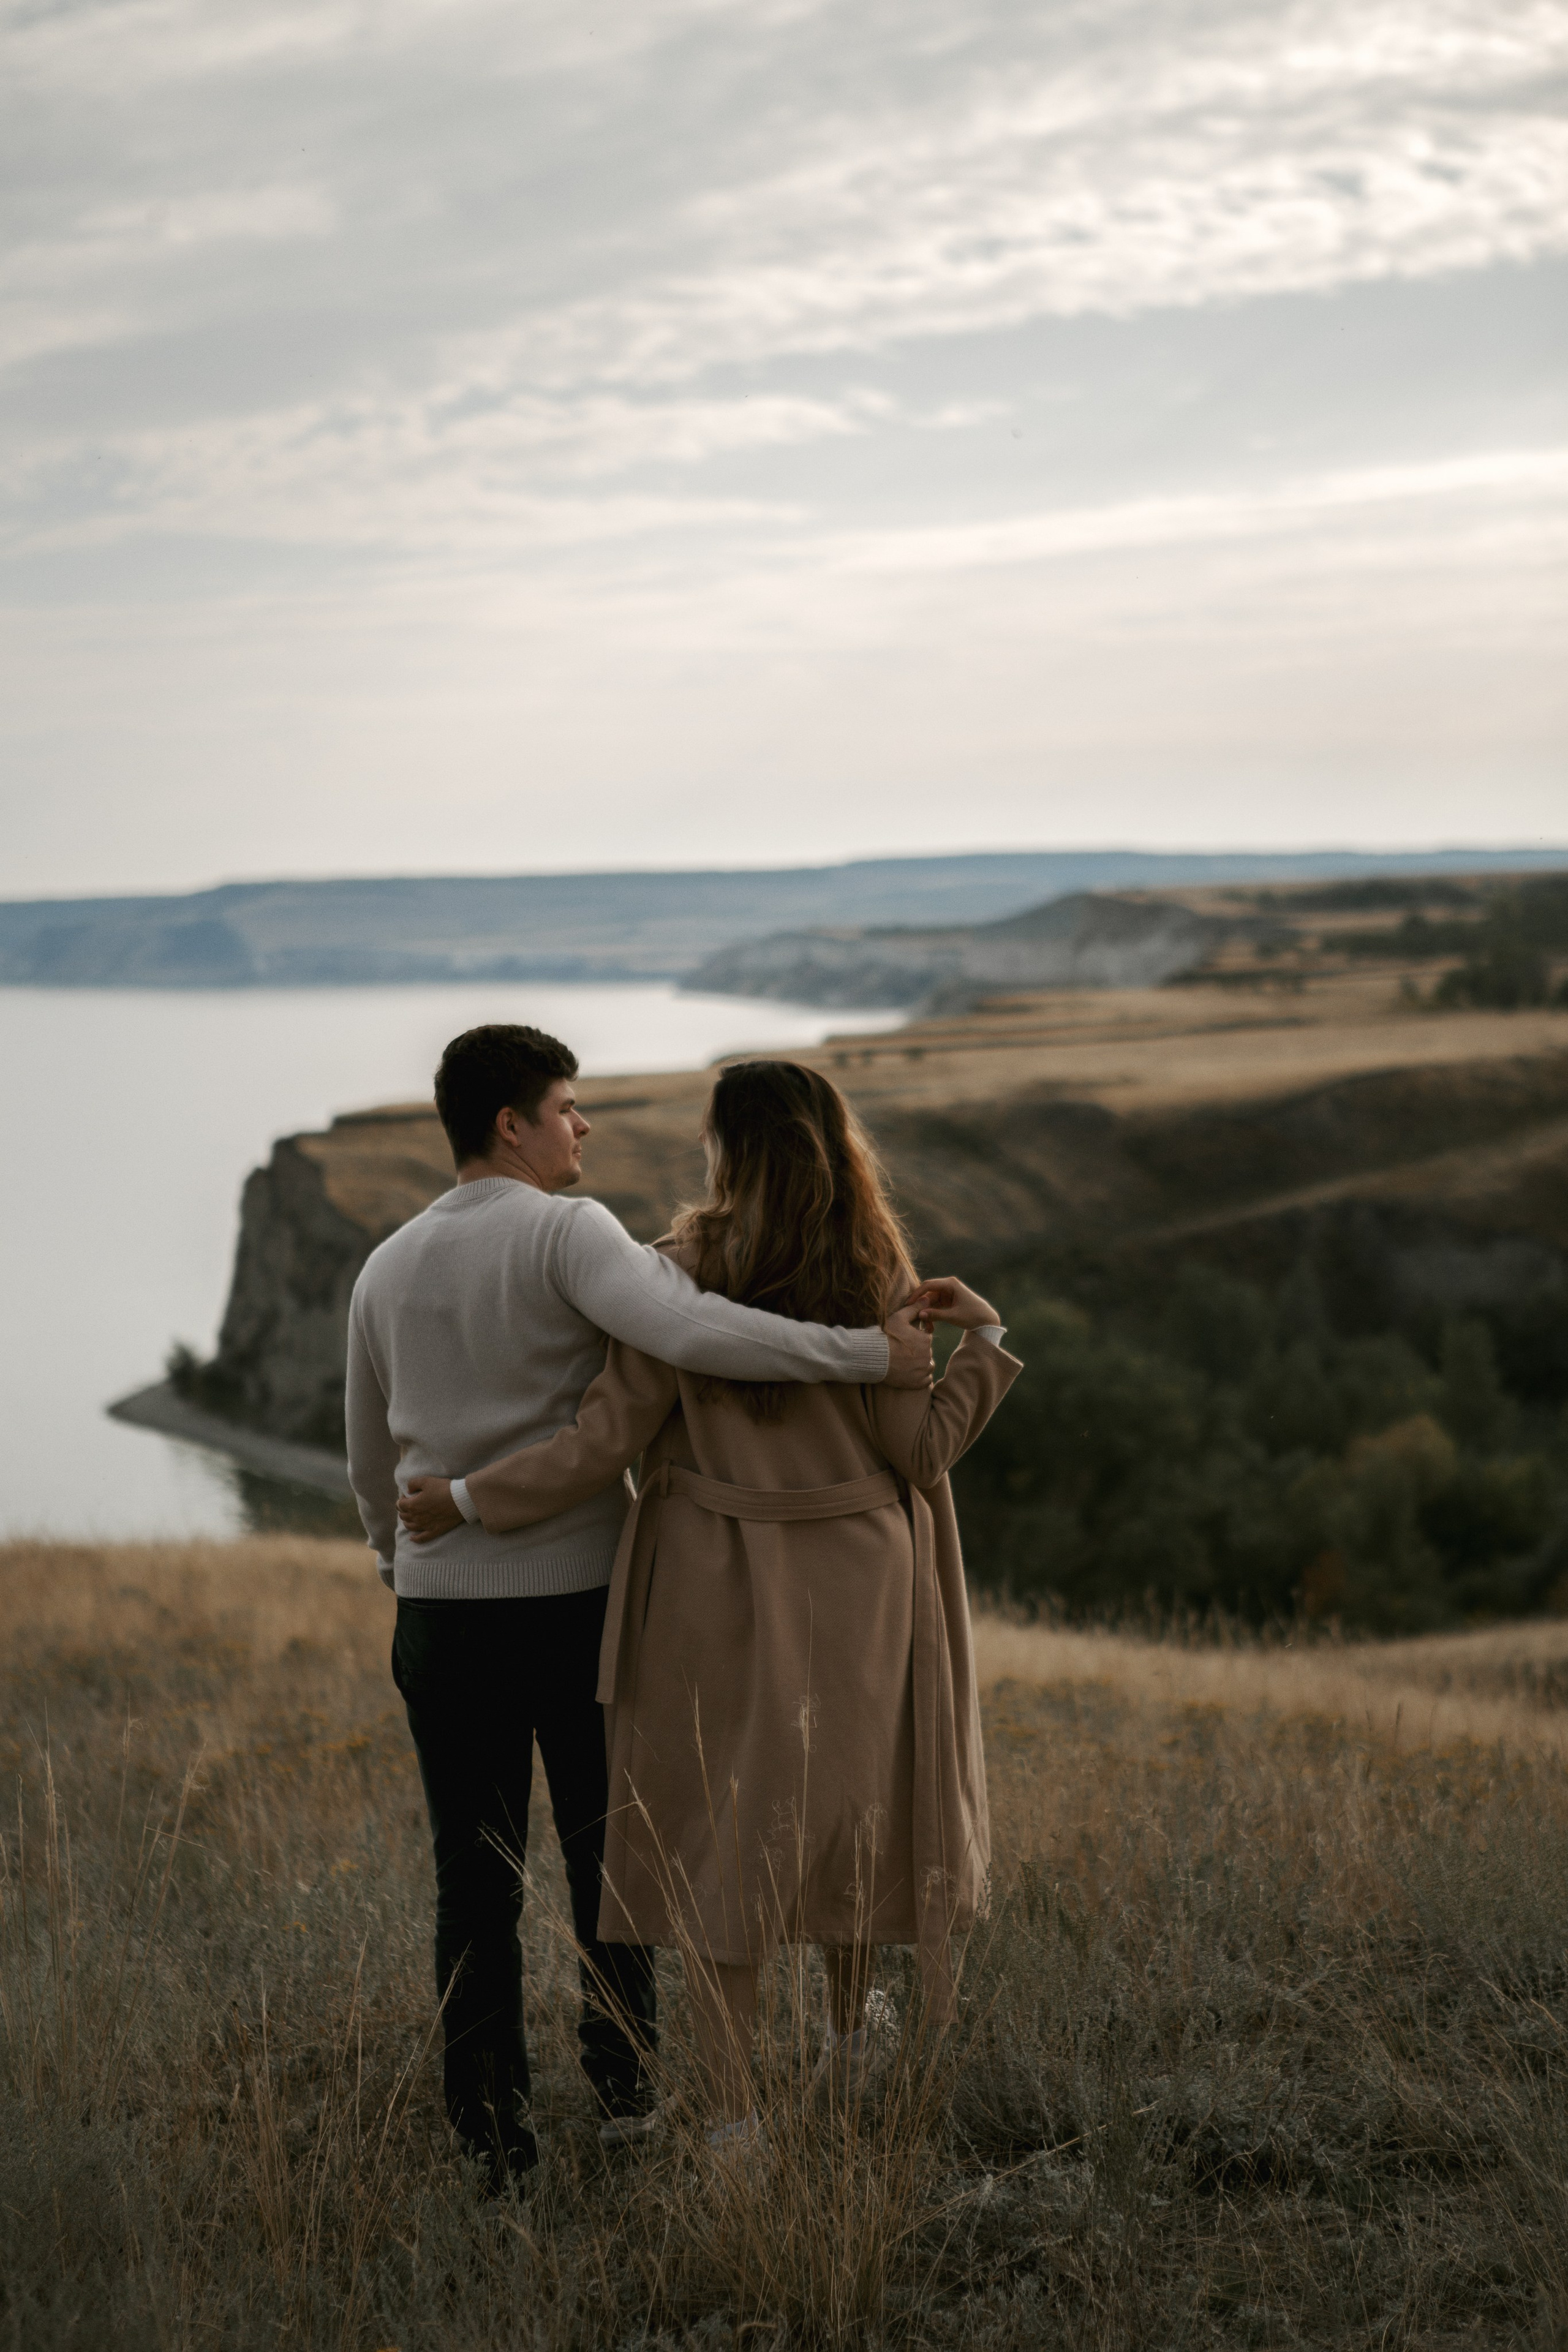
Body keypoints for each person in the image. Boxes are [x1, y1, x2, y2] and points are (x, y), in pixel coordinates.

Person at [346, 1025, 933, 2193]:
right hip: (576, 1602)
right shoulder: (569, 1231)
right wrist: (869, 1356)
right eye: (566, 1106)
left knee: (473, 1884)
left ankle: (494, 2144)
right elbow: (695, 1332)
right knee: (611, 1864)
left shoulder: (384, 1266)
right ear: (510, 1124)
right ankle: (624, 2098)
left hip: (440, 1613)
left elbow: (370, 1462)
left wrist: (400, 1566)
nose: (583, 1126)